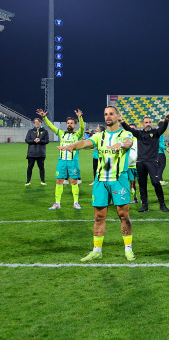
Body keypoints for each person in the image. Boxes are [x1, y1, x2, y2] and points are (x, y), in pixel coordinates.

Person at [57, 106, 136, 262]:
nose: (108, 116)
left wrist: (120, 145)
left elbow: (128, 142)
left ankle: (128, 249)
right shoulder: (100, 136)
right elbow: (86, 143)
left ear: (118, 116)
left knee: (124, 215)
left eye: (111, 114)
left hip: (119, 180)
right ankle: (97, 251)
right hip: (100, 181)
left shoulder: (124, 134)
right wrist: (73, 146)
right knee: (99, 217)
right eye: (106, 114)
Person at [119, 114, 169, 213]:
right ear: (142, 124)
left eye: (150, 122)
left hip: (152, 162)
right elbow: (129, 129)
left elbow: (163, 128)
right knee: (142, 185)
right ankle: (145, 205)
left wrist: (166, 121)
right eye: (146, 122)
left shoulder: (155, 133)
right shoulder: (139, 134)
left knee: (155, 182)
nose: (148, 124)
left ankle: (162, 204)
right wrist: (122, 122)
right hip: (140, 162)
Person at [37, 108, 85, 210]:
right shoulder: (61, 133)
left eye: (71, 123)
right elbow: (51, 126)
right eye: (68, 123)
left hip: (73, 161)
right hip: (62, 161)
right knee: (59, 181)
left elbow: (82, 127)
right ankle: (57, 203)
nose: (69, 125)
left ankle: (76, 203)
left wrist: (80, 118)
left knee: (74, 181)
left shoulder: (78, 134)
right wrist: (44, 118)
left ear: (75, 125)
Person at [25, 117, 49, 186]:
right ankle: (28, 181)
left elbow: (47, 141)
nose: (37, 123)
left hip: (40, 153)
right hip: (31, 153)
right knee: (30, 167)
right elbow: (27, 140)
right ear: (34, 123)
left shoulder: (45, 131)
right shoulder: (30, 131)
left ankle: (42, 181)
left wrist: (40, 141)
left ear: (41, 123)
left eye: (38, 122)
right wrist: (34, 140)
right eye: (35, 122)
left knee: (41, 168)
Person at [126, 124, 139, 203]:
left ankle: (143, 199)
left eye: (133, 129)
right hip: (130, 166)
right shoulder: (125, 140)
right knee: (132, 183)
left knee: (142, 183)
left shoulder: (139, 139)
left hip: (139, 164)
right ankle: (135, 198)